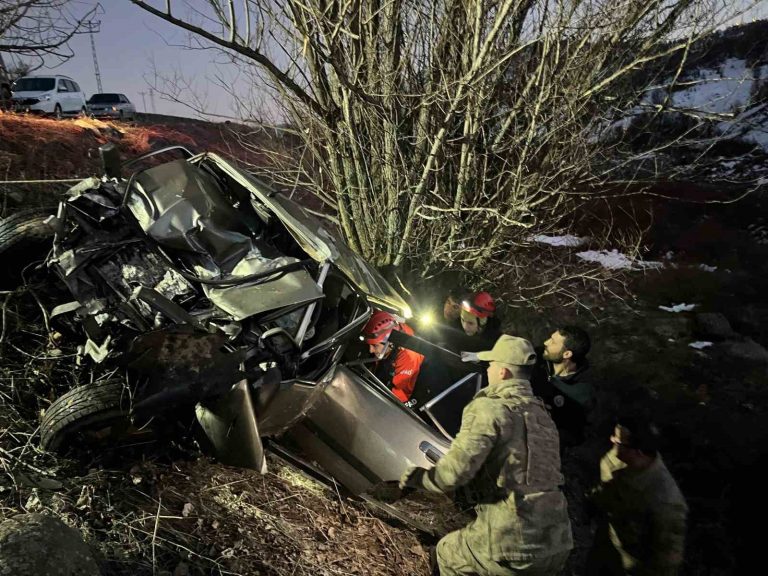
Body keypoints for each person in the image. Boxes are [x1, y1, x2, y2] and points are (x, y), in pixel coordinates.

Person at [400, 335, 573, 575]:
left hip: (516, 545)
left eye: (490, 365)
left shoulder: (489, 407)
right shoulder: (542, 416)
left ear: (503, 373)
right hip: (557, 541)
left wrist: (417, 478)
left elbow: (451, 475)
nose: (488, 370)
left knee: (447, 554)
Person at [587, 417, 688, 576]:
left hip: (632, 567)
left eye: (618, 443)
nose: (612, 442)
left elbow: (665, 563)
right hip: (606, 545)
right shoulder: (617, 458)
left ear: (638, 452)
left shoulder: (667, 502)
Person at [531, 326, 593, 447]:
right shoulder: (535, 358)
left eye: (553, 341)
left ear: (567, 354)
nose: (546, 342)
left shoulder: (582, 392)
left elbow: (575, 434)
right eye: (550, 338)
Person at [362, 310, 425, 403]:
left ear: (390, 343)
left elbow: (399, 396)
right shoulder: (389, 330)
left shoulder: (409, 356)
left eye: (375, 346)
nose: (370, 350)